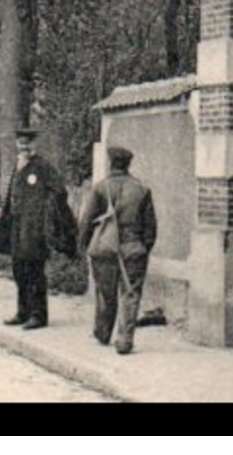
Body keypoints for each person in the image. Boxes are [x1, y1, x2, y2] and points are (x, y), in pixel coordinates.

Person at [77, 145, 158, 355]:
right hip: (133, 248)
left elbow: (86, 222)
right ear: (128, 164)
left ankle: (103, 333)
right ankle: (124, 340)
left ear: (111, 163)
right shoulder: (141, 190)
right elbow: (151, 228)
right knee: (130, 294)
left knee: (105, 292)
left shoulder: (100, 188)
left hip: (104, 247)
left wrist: (84, 246)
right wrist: (143, 248)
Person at [0, 127, 76, 329]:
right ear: (16, 145)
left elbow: (59, 191)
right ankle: (23, 312)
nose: (24, 147)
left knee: (35, 272)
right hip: (17, 229)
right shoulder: (19, 165)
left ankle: (39, 315)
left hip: (34, 231)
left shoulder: (42, 166)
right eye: (21, 143)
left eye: (28, 143)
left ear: (35, 145)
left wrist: (42, 212)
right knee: (19, 271)